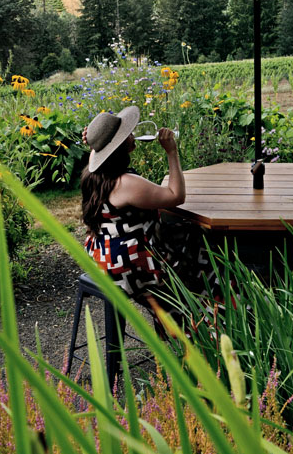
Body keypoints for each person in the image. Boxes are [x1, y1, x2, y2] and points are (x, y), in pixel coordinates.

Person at [80, 105, 217, 317]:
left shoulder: (93, 173)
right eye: (127, 133)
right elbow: (176, 196)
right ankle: (203, 316)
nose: (132, 134)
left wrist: (95, 140)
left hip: (102, 252)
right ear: (117, 147)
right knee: (200, 246)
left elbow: (97, 151)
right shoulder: (125, 183)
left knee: (186, 233)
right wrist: (172, 152)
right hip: (130, 262)